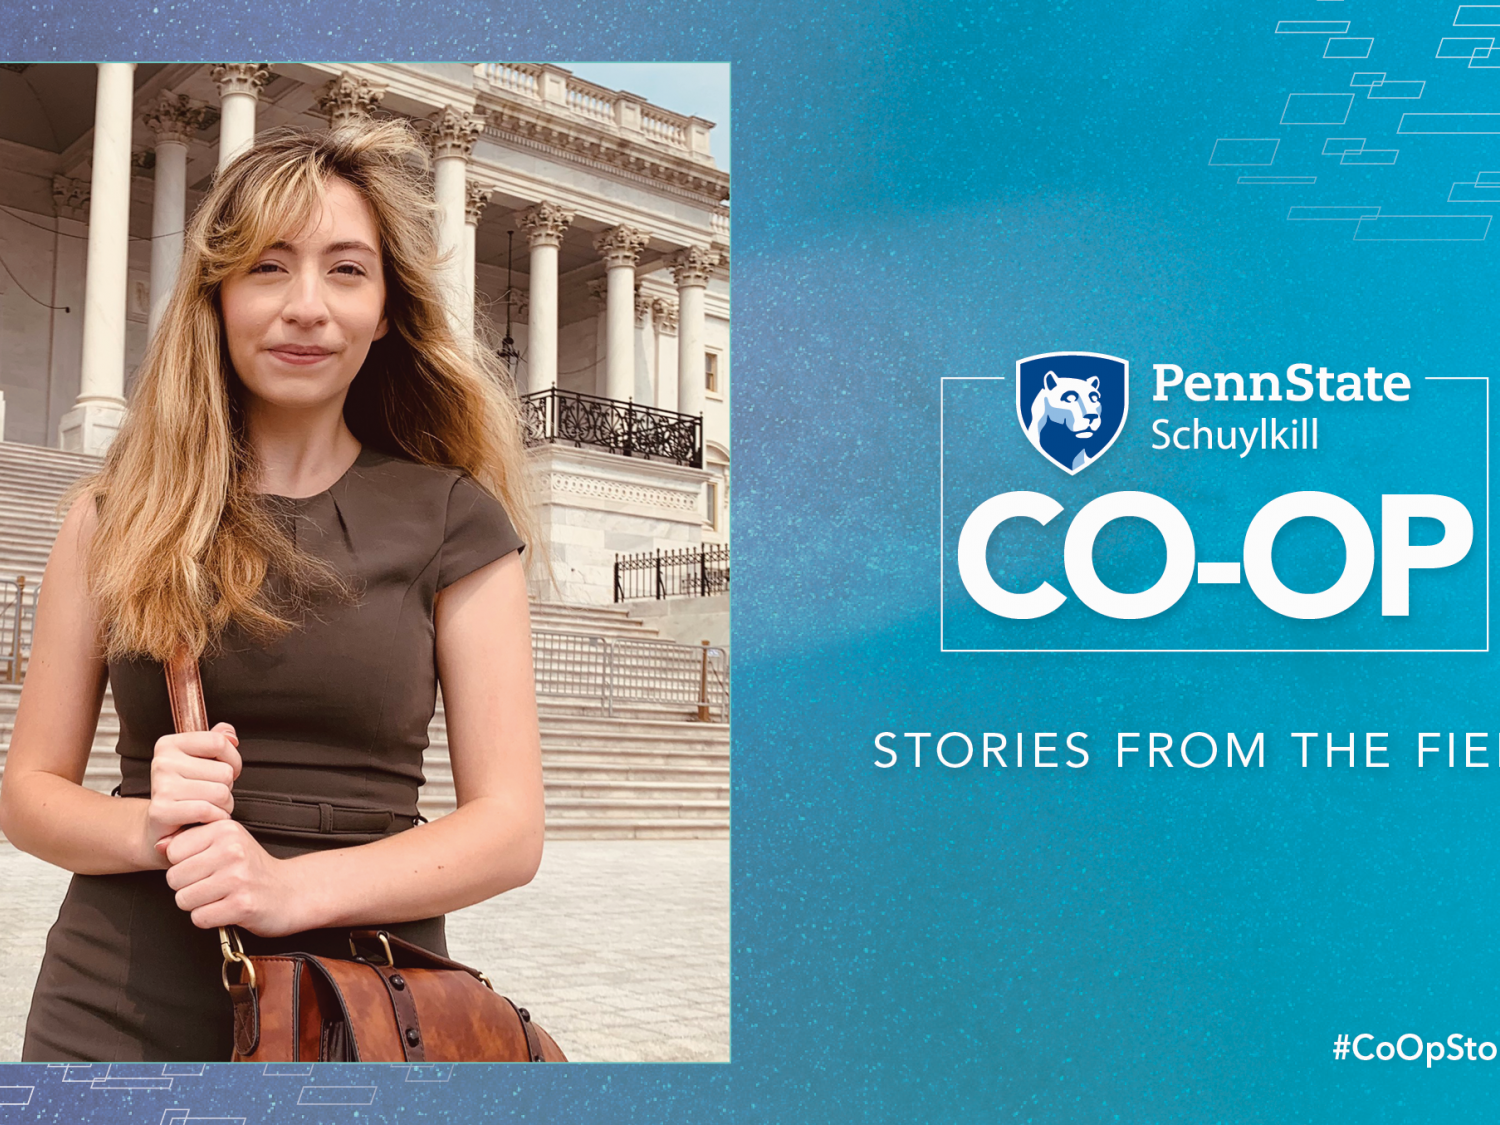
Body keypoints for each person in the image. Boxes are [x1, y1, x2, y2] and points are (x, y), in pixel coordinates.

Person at [0, 121, 545, 1062]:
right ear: (215, 295)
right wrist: (148, 825)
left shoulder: (456, 518)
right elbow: (28, 793)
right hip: (111, 1009)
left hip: (357, 1009)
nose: (306, 307)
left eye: (347, 270)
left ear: (386, 308)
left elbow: (509, 829)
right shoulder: (114, 512)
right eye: (267, 268)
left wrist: (289, 889)